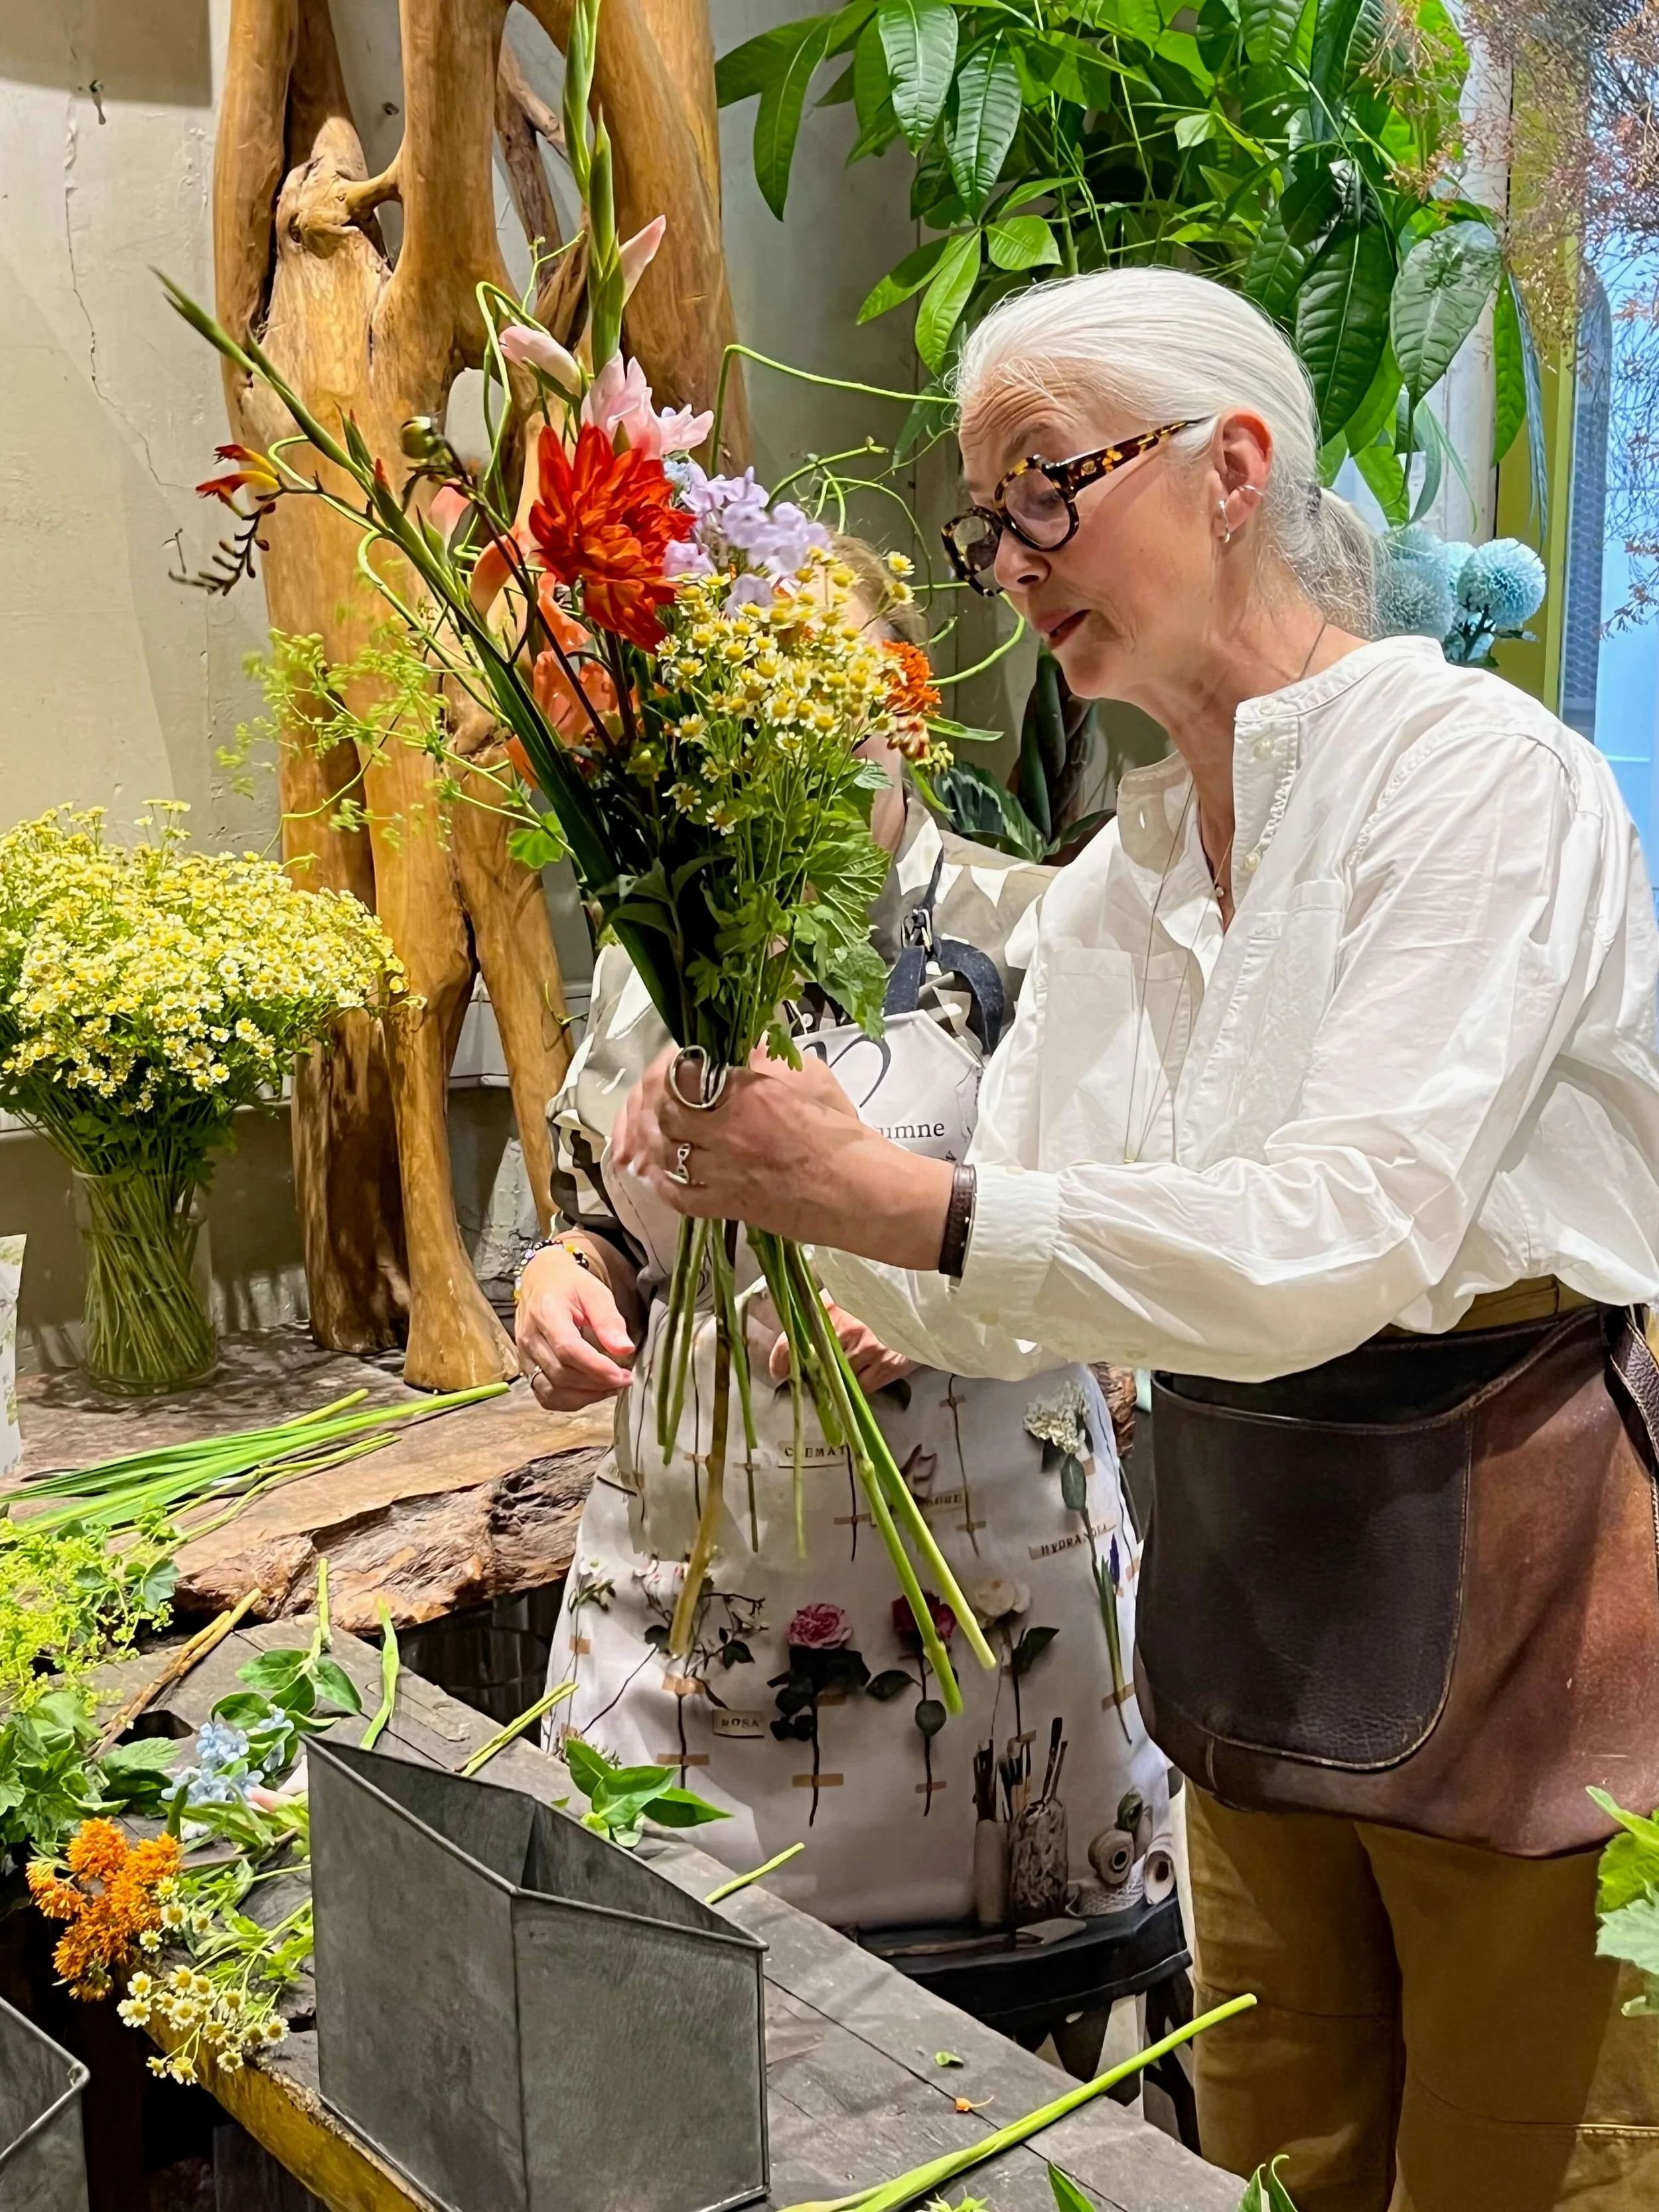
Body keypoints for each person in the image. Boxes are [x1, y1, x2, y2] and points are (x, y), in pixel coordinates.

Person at [615, 269, 1659, 2211]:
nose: (1004, 555)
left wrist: (897, 1202)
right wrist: (741, 1156)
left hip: (1514, 1560)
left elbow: (1348, 1227)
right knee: (1274, 2139)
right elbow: (983, 1264)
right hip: (1252, 1582)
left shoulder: (1474, 780)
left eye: (1044, 486)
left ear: (1233, 467)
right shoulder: (1128, 868)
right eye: (979, 513)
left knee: (1528, 2156)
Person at [516, 537, 1173, 1964]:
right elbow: (600, 1217)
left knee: (1000, 2078)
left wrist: (948, 1288)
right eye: (738, 736)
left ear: (904, 703)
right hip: (692, 1614)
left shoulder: (1038, 931)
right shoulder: (662, 946)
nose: (786, 773)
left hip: (983, 1617)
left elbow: (1127, 1228)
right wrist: (562, 1280)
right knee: (677, 1997)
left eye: (825, 725)